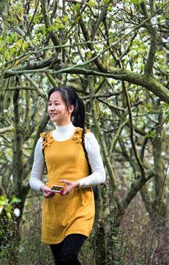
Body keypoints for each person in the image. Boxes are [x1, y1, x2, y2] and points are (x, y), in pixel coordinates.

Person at [29, 86, 106, 265]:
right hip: (54, 210)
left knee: (68, 257)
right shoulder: (44, 140)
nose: (51, 108)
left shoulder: (85, 137)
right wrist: (42, 187)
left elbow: (100, 175)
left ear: (70, 108)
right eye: (49, 104)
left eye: (57, 104)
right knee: (62, 262)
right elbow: (33, 177)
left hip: (80, 208)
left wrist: (77, 183)